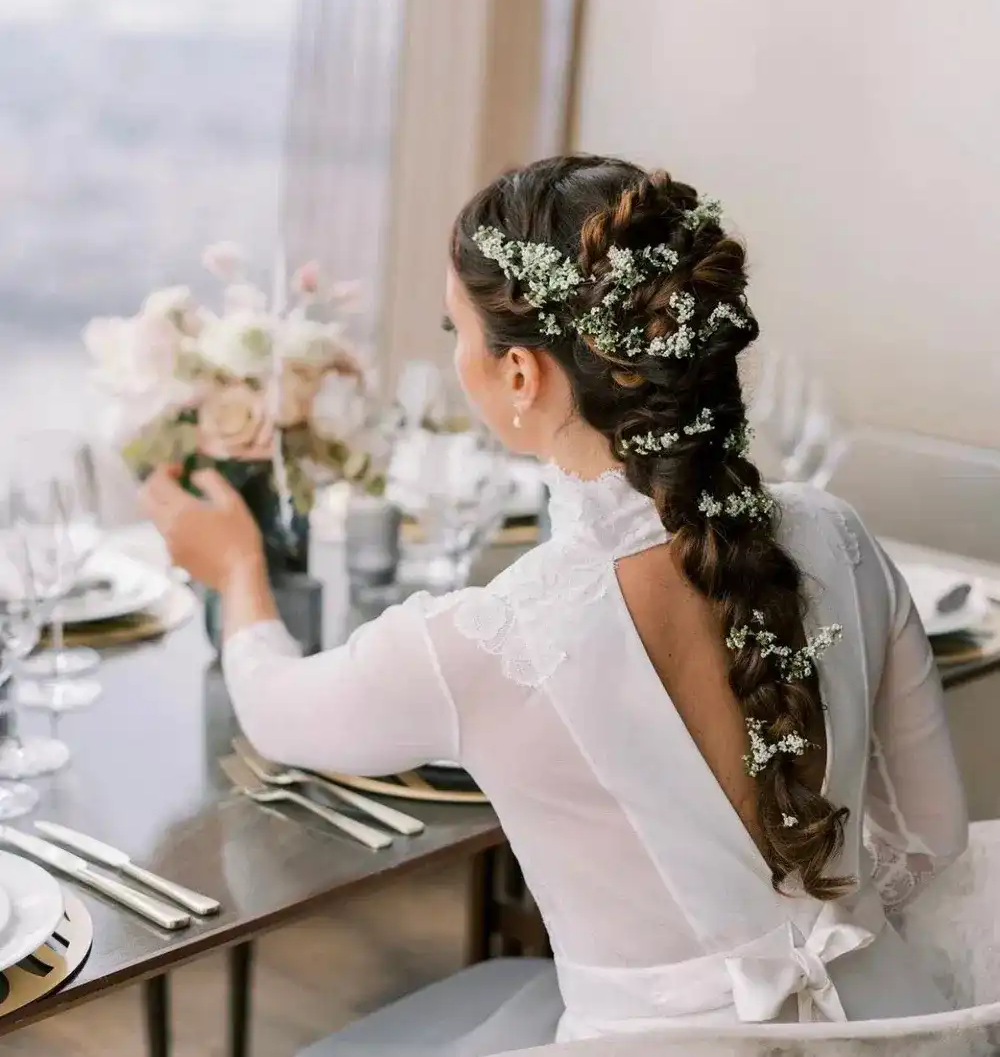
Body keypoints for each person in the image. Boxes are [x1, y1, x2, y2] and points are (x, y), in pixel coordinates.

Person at [141, 155, 968, 1046]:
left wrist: (239, 571)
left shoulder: (495, 641)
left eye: (454, 330)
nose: (454, 357)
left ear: (521, 375)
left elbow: (275, 711)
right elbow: (931, 838)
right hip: (899, 1028)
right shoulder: (838, 534)